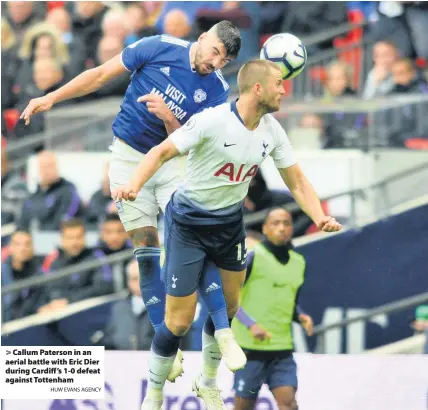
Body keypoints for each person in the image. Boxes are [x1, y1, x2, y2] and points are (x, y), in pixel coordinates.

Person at [112, 59, 342, 410]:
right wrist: (133, 184)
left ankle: (207, 382)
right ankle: (154, 392)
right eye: (279, 83)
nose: (285, 89)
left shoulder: (272, 130)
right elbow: (161, 152)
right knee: (178, 321)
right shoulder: (212, 121)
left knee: (232, 306)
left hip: (229, 224)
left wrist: (319, 215)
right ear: (258, 89)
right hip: (187, 222)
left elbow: (295, 180)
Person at [20, 21, 242, 382]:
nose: (216, 63)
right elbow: (100, 75)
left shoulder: (217, 90)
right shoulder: (158, 47)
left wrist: (171, 120)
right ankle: (164, 344)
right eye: (215, 52)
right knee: (146, 249)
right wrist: (51, 97)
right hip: (127, 157)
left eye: (224, 59)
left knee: (196, 239)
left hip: (171, 162)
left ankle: (224, 331)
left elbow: (197, 146)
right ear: (202, 39)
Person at [233, 208, 313, 410]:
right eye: (275, 223)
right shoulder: (253, 257)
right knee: (243, 407)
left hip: (281, 349)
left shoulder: (298, 262)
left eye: (286, 223)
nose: (281, 228)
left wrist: (301, 316)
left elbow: (290, 300)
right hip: (250, 349)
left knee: (289, 403)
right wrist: (251, 325)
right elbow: (229, 298)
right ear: (265, 229)